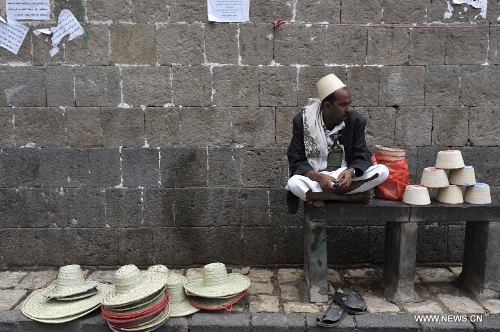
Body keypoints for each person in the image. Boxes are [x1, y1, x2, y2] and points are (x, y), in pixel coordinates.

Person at [286, 73, 389, 213]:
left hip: (344, 177)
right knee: (293, 183)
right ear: (328, 106)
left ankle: (327, 196)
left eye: (349, 104)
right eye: (343, 105)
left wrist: (351, 172)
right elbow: (296, 160)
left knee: (382, 171)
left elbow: (362, 153)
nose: (348, 109)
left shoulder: (355, 121)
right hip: (317, 179)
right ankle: (349, 198)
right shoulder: (304, 121)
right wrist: (320, 178)